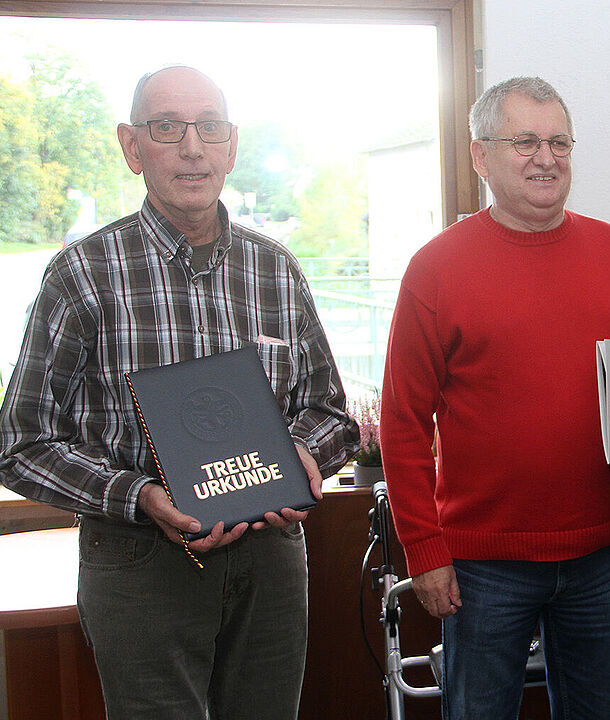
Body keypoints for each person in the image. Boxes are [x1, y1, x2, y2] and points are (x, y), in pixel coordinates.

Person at [0, 66, 358, 718]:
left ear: (231, 145)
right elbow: (21, 443)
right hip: (141, 563)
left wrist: (303, 456)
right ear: (132, 146)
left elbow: (329, 412)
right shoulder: (82, 275)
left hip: (271, 561)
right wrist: (141, 497)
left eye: (209, 127)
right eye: (168, 128)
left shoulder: (275, 268)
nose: (192, 147)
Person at [380, 76, 610, 720]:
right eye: (525, 142)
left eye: (559, 142)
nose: (547, 158)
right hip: (483, 564)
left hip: (600, 552)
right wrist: (424, 553)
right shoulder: (436, 267)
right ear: (481, 156)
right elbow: (401, 424)